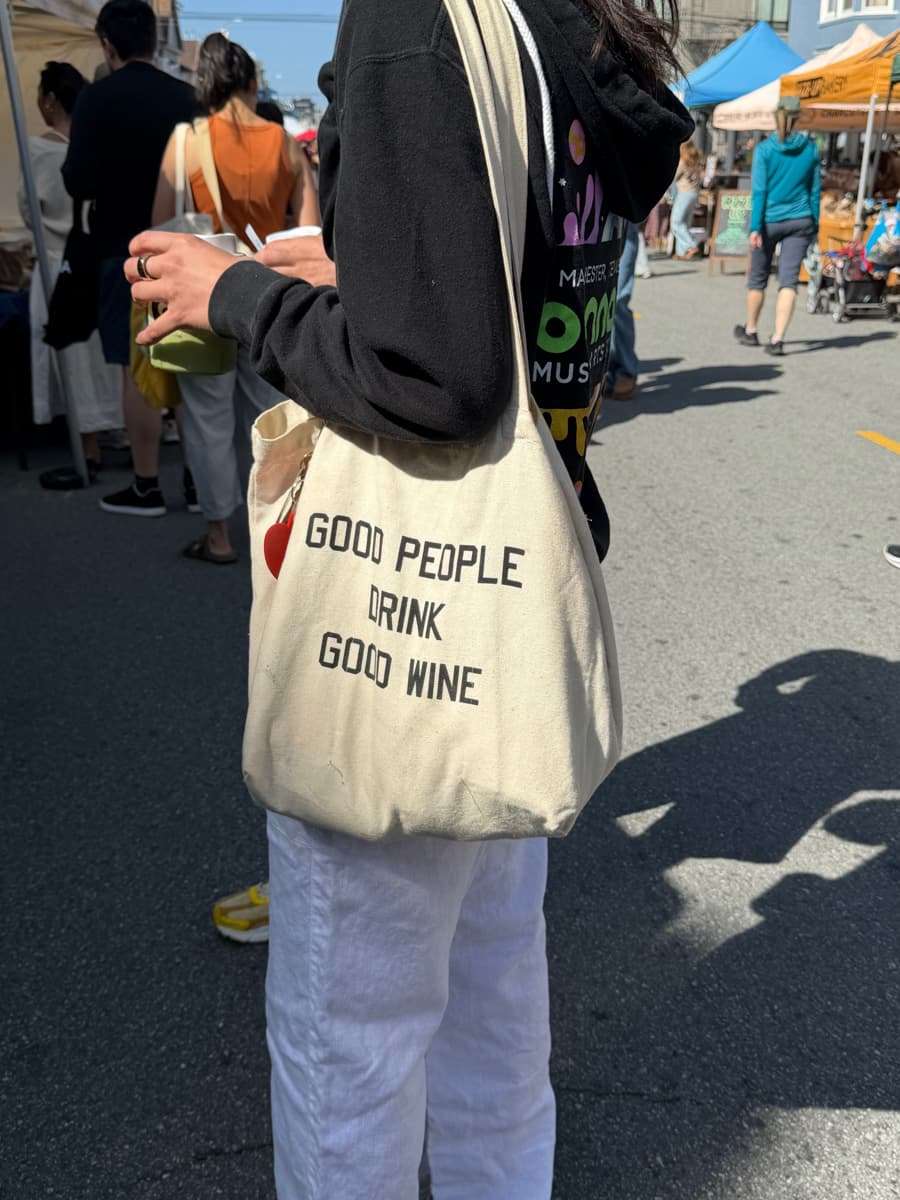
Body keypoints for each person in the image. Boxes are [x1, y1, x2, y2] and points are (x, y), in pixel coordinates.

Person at [126, 0, 692, 1192]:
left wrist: (237, 295)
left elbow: (437, 380)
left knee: (352, 1049)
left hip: (397, 623)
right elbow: (510, 289)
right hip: (509, 603)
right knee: (495, 1025)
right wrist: (373, 269)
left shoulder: (413, 16)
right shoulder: (565, 24)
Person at [151, 33, 318, 564]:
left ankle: (219, 535)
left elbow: (160, 226)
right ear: (251, 81)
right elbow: (307, 232)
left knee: (207, 419)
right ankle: (280, 527)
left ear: (206, 84)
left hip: (200, 296)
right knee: (270, 414)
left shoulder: (185, 142)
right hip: (268, 293)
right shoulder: (286, 145)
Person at [62, 0, 197, 516]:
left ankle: (146, 485)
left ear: (107, 44)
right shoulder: (185, 97)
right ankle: (199, 482)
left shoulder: (95, 99)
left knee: (135, 368)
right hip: (182, 248)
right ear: (153, 40)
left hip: (122, 250)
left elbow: (78, 180)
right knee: (185, 366)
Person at [17, 61, 121, 490]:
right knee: (102, 357)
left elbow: (29, 211)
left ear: (49, 101)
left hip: (55, 263)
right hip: (95, 259)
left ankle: (89, 448)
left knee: (72, 359)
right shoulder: (97, 146)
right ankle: (118, 431)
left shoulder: (35, 151)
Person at [734, 97, 820, 357]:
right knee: (789, 281)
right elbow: (815, 192)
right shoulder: (810, 149)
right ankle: (778, 339)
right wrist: (814, 224)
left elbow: (759, 192)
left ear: (776, 116)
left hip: (769, 221)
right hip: (801, 220)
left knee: (758, 279)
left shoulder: (765, 150)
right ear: (798, 117)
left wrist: (754, 227)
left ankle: (751, 330)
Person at [606, 219, 640, 401]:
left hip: (624, 218)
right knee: (599, 297)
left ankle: (626, 369)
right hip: (590, 218)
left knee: (618, 299)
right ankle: (604, 371)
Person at [671, 140, 702, 260]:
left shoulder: (683, 162)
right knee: (685, 223)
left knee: (676, 222)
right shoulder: (696, 161)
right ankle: (681, 252)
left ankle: (692, 245)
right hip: (694, 194)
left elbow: (673, 176)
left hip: (684, 192)